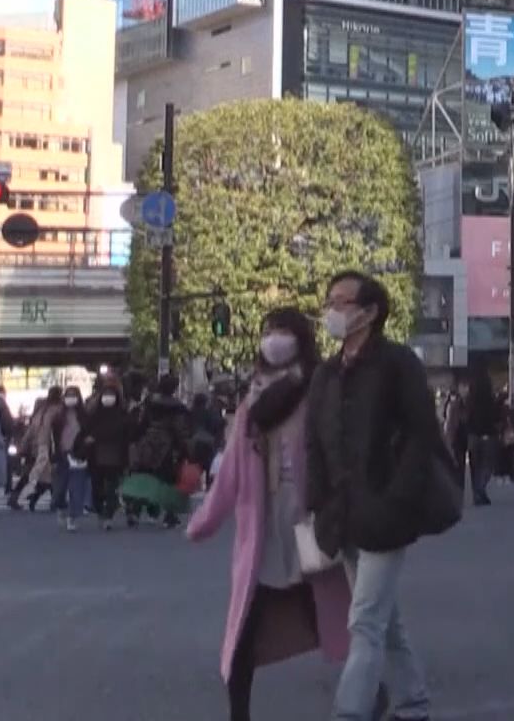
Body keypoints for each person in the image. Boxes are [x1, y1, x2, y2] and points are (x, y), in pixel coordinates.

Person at [189, 310, 351, 721]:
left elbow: (339, 453)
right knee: (244, 628)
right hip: (263, 532)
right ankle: (239, 714)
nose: (273, 339)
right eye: (268, 331)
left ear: (301, 339)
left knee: (325, 614)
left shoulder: (318, 389)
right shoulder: (252, 401)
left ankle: (367, 688)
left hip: (308, 524)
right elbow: (231, 472)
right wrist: (205, 520)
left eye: (283, 331)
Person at [305, 270, 444, 721]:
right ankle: (413, 702)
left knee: (364, 620)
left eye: (341, 302)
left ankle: (349, 713)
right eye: (329, 301)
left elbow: (421, 434)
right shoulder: (326, 374)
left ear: (368, 312)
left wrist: (398, 497)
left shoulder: (397, 363)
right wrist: (317, 500)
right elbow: (314, 441)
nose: (332, 310)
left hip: (384, 512)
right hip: (340, 513)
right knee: (385, 620)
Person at [123, 372, 195, 528]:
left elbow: (141, 424)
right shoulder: (177, 408)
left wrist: (134, 439)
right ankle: (169, 516)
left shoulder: (149, 403)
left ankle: (134, 510)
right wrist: (186, 448)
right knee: (168, 481)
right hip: (167, 447)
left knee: (144, 477)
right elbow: (180, 430)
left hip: (147, 444)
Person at [83, 377, 135, 528]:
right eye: (106, 395)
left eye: (111, 395)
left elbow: (126, 433)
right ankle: (100, 510)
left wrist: (96, 436)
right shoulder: (94, 415)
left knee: (112, 488)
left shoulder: (123, 415)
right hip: (96, 457)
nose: (108, 398)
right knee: (97, 488)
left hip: (116, 456)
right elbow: (85, 431)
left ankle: (108, 515)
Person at [52, 387, 90, 533]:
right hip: (62, 455)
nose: (71, 398)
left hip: (78, 455)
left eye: (74, 395)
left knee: (76, 489)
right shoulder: (58, 416)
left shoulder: (84, 416)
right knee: (59, 489)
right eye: (68, 395)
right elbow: (51, 436)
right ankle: (61, 506)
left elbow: (88, 434)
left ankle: (72, 517)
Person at [462, 368, 497, 507]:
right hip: (488, 433)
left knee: (474, 465)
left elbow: (466, 417)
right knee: (488, 464)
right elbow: (496, 416)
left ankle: (477, 493)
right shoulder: (491, 399)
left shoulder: (469, 400)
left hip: (473, 435)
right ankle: (481, 487)